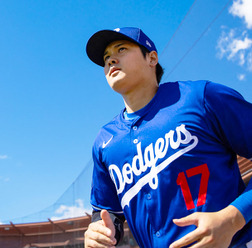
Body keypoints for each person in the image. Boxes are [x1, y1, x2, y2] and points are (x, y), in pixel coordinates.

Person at [84, 27, 252, 248]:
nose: (110, 60)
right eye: (106, 58)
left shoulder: (199, 97)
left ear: (152, 58)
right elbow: (108, 215)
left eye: (121, 49)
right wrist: (97, 233)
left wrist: (232, 218)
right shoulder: (105, 141)